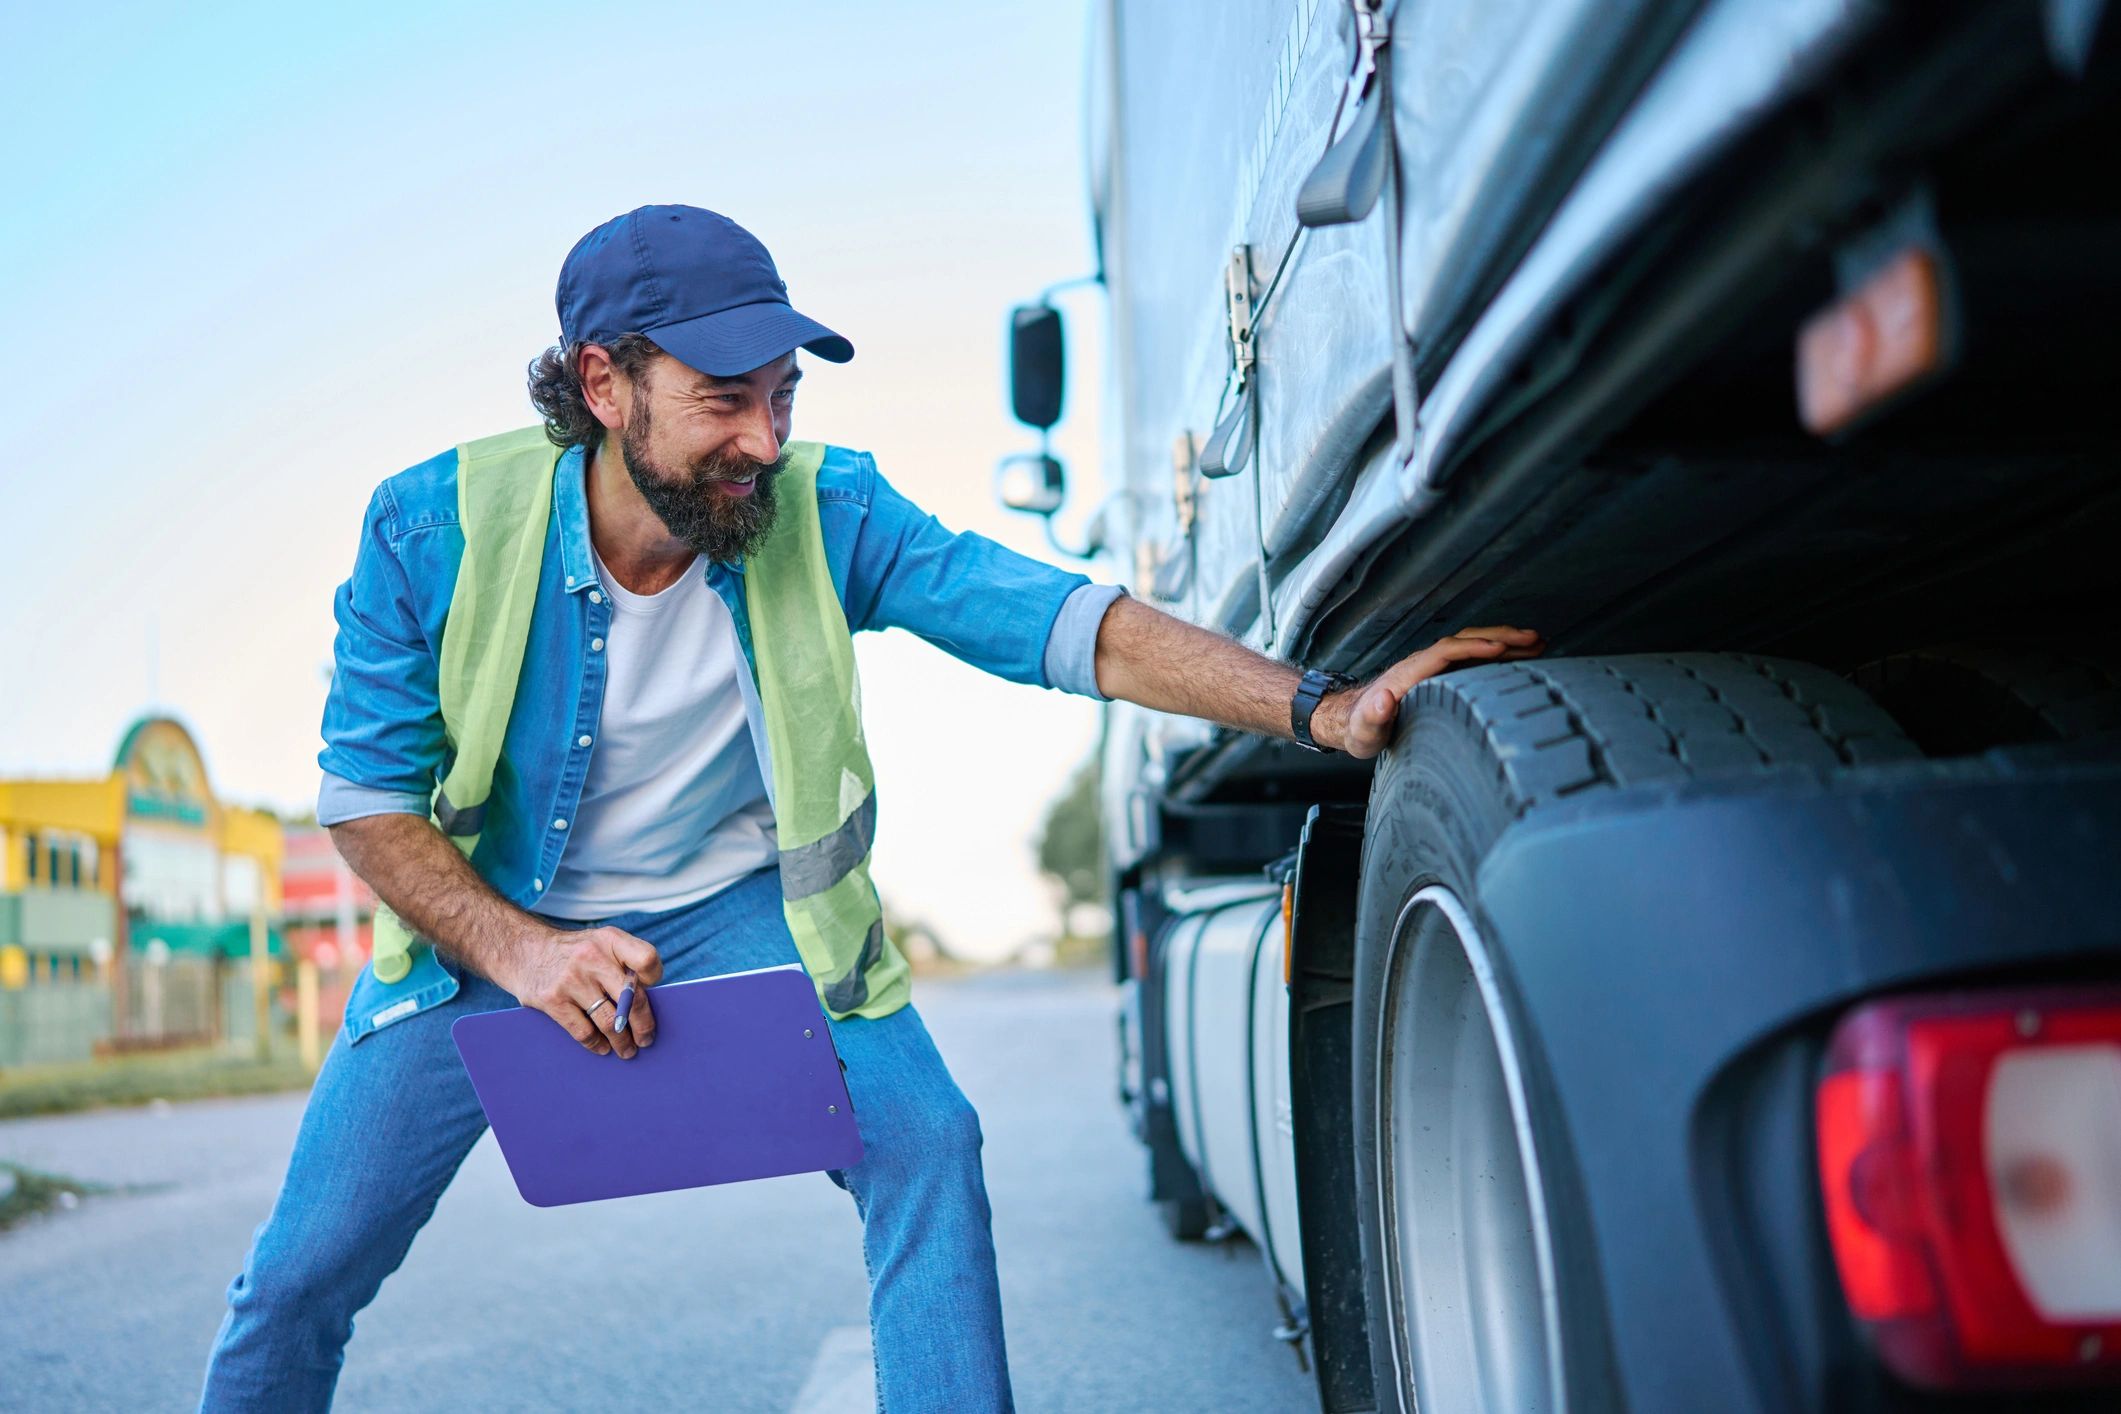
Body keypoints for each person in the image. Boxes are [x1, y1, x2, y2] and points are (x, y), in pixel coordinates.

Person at [196, 204, 1541, 1412]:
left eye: (780, 397)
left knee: (929, 1145)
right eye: (727, 400)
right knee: (302, 1272)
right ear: (603, 383)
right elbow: (365, 801)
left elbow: (1068, 626)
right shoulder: (432, 527)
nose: (765, 441)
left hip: (735, 917)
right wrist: (527, 952)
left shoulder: (824, 507)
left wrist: (1321, 705)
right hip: (489, 932)